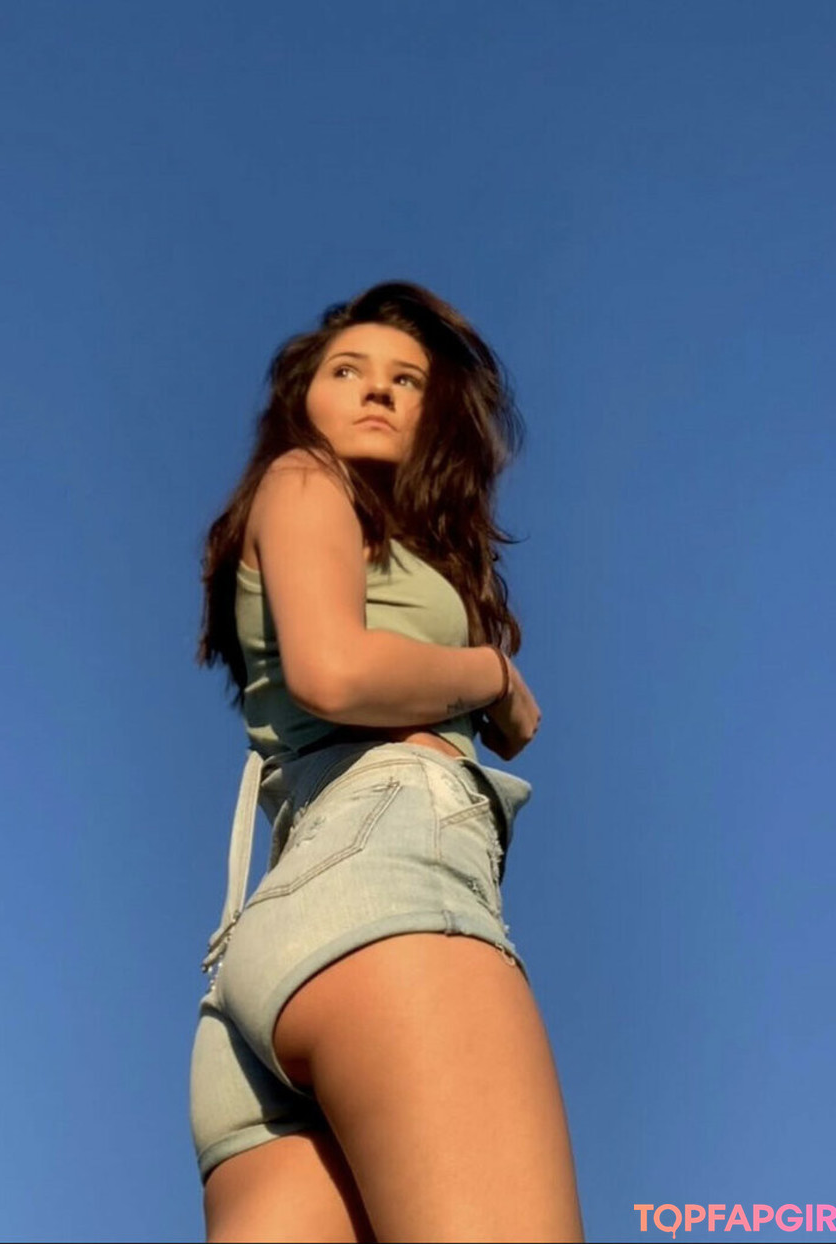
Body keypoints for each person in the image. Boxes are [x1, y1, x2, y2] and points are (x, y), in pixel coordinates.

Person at [190, 281, 584, 1243]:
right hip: (381, 888)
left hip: (267, 959)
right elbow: (334, 671)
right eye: (347, 370)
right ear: (303, 398)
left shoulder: (371, 536)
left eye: (407, 379)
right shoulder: (304, 478)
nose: (376, 389)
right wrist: (490, 673)